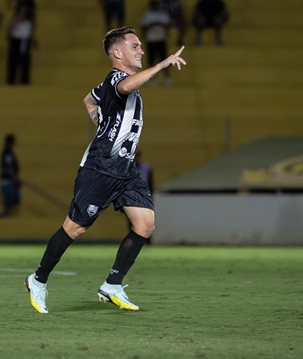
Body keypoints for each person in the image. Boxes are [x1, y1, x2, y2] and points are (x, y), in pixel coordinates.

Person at [24, 26, 187, 314]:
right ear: (118, 53)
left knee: (145, 224)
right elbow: (124, 87)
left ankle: (112, 284)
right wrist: (162, 65)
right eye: (135, 46)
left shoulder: (112, 84)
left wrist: (101, 121)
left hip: (125, 168)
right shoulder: (117, 79)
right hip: (100, 166)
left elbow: (89, 99)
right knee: (75, 228)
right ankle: (37, 280)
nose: (141, 50)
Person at [6, 0, 35, 85]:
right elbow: (9, 29)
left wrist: (32, 39)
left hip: (25, 41)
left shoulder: (29, 20)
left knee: (25, 62)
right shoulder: (15, 18)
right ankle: (11, 81)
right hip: (16, 40)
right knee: (13, 61)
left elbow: (30, 31)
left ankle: (24, 81)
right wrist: (17, 20)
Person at [141, 0, 171, 87]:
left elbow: (167, 25)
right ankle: (153, 80)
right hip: (151, 40)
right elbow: (144, 27)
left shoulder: (163, 15)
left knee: (164, 60)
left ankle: (167, 78)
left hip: (161, 40)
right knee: (151, 61)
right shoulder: (147, 16)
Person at [126, 150, 153, 244]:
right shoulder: (127, 168)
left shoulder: (146, 168)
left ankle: (147, 242)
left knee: (147, 221)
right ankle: (133, 242)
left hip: (144, 197)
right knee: (132, 222)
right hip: (131, 197)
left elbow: (150, 184)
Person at [0, 134, 21, 217]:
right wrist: (14, 178)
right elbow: (8, 167)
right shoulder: (7, 153)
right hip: (7, 180)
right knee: (11, 195)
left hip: (9, 180)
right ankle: (7, 212)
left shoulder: (8, 152)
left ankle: (8, 211)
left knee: (16, 197)